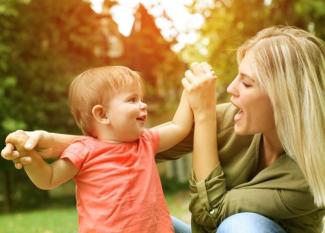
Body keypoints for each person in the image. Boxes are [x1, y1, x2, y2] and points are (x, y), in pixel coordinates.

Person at [2, 25, 325, 233]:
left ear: (286, 96)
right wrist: (44, 142)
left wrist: (203, 113)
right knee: (132, 222)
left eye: (247, 81)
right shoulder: (233, 117)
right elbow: (124, 146)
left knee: (244, 227)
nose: (230, 88)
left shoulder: (311, 171)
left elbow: (213, 213)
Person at [2, 65, 200, 233]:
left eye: (141, 98)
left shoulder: (146, 141)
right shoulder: (84, 150)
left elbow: (178, 126)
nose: (144, 105)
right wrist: (29, 156)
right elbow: (49, 178)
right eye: (132, 100)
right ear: (102, 114)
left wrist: (189, 90)